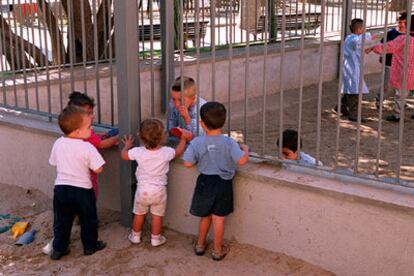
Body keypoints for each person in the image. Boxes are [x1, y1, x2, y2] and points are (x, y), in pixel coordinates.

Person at [182, 101, 249, 261]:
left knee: (205, 216)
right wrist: (245, 149)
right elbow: (241, 162)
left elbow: (187, 163)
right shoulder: (229, 142)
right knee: (218, 218)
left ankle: (200, 245)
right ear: (223, 121)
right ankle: (217, 251)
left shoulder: (197, 142)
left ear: (201, 123)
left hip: (205, 182)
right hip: (223, 184)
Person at [121, 119, 191, 247]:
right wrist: (183, 139)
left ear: (140, 136)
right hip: (159, 191)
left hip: (142, 190)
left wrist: (127, 146)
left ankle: (135, 236)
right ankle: (155, 239)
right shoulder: (166, 152)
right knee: (157, 216)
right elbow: (178, 152)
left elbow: (124, 156)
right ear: (163, 136)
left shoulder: (138, 151)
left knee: (139, 213)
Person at [49, 106, 106, 260]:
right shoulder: (87, 147)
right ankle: (90, 246)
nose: (91, 129)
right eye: (89, 127)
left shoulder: (58, 143)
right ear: (78, 131)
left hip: (61, 189)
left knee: (61, 220)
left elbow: (53, 162)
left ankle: (58, 248)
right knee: (89, 219)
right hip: (83, 191)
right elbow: (99, 169)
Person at [68, 91, 119, 198]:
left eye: (92, 113)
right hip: (87, 178)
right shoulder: (86, 134)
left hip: (71, 179)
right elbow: (102, 144)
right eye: (89, 113)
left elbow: (93, 137)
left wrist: (103, 135)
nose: (92, 116)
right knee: (90, 198)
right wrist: (118, 137)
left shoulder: (72, 131)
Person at [366, 14, 414, 122]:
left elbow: (388, 47)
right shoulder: (396, 35)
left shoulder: (404, 39)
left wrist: (374, 48)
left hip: (404, 72)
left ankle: (397, 115)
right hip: (410, 73)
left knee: (399, 94)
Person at [340, 18, 372, 122]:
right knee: (355, 92)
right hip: (352, 69)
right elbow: (362, 40)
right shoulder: (353, 39)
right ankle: (354, 114)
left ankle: (341, 106)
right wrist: (371, 36)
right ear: (358, 29)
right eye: (363, 28)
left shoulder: (350, 37)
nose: (364, 30)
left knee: (350, 89)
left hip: (352, 68)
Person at [375, 12, 407, 117]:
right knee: (386, 84)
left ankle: (400, 105)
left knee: (401, 86)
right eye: (399, 22)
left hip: (403, 65)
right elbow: (383, 44)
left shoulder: (410, 34)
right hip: (390, 63)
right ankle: (379, 101)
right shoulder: (392, 33)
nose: (401, 24)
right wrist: (381, 56)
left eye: (404, 22)